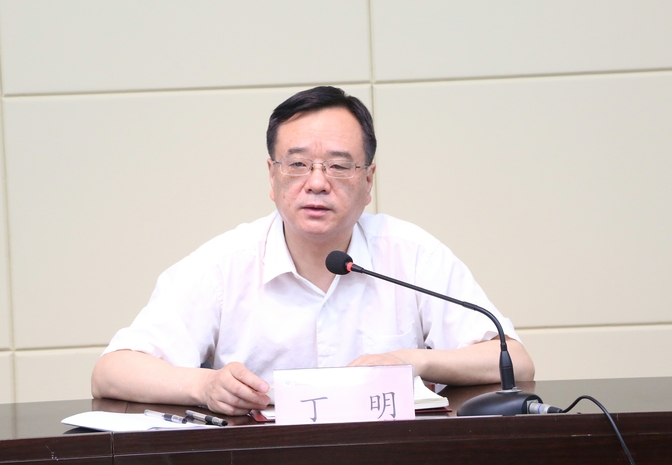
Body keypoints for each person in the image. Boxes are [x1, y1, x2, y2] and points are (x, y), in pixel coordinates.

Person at [91, 86, 534, 415]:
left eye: (338, 166)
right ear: (272, 176)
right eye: (298, 165)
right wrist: (205, 387)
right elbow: (112, 371)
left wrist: (411, 361)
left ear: (368, 181)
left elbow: (515, 361)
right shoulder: (223, 264)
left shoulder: (413, 255)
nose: (317, 182)